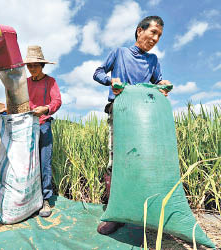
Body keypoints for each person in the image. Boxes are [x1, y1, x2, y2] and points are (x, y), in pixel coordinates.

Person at [93, 16, 172, 235]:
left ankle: (141, 211)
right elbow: (98, 72)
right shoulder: (119, 53)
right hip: (120, 112)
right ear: (139, 31)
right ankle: (115, 214)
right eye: (153, 32)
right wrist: (112, 81)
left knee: (140, 161)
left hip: (143, 117)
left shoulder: (154, 61)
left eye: (159, 36)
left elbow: (157, 85)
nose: (155, 38)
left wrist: (163, 86)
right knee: (116, 161)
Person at [23, 45, 62, 217]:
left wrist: (45, 108)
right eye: (29, 66)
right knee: (26, 163)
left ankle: (45, 199)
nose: (32, 69)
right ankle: (27, 198)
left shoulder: (50, 82)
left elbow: (57, 101)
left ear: (42, 66)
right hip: (25, 126)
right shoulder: (24, 83)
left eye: (35, 65)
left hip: (43, 124)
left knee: (44, 161)